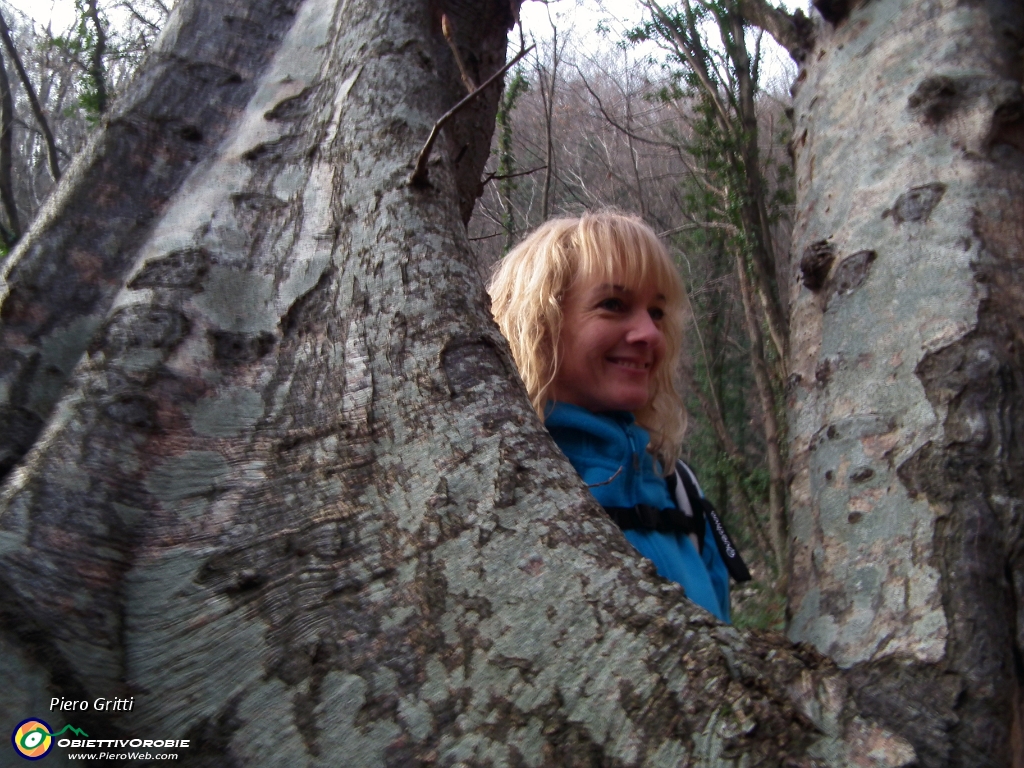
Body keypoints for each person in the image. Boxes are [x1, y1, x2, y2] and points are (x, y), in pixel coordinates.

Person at [487, 210, 749, 623]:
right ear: (540, 325)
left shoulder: (679, 490)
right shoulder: (496, 491)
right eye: (613, 304)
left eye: (657, 313)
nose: (649, 333)